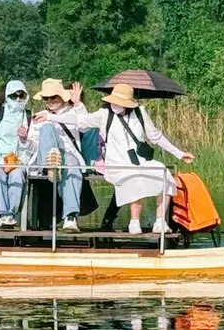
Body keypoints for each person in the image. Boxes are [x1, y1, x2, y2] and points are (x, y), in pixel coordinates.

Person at [38, 83, 193, 235]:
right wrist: (49, 116)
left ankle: (160, 221)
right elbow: (79, 120)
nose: (116, 105)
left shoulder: (140, 113)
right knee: (134, 177)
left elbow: (156, 136)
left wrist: (179, 153)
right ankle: (134, 222)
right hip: (116, 162)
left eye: (120, 103)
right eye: (114, 102)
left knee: (163, 173)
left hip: (140, 160)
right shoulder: (104, 114)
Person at [30, 78, 87, 233]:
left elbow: (85, 125)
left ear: (62, 96)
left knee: (72, 165)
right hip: (43, 157)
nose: (49, 101)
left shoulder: (72, 112)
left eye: (53, 97)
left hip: (67, 155)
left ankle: (70, 217)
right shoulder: (39, 115)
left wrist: (77, 103)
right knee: (47, 128)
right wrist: (23, 139)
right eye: (46, 98)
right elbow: (33, 144)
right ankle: (51, 162)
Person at [0, 79, 31, 228]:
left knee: (17, 176)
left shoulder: (28, 115)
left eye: (21, 95)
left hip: (18, 159)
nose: (18, 99)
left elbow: (30, 146)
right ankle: (3, 213)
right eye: (13, 95)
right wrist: (1, 162)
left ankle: (11, 213)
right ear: (7, 96)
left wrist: (23, 140)